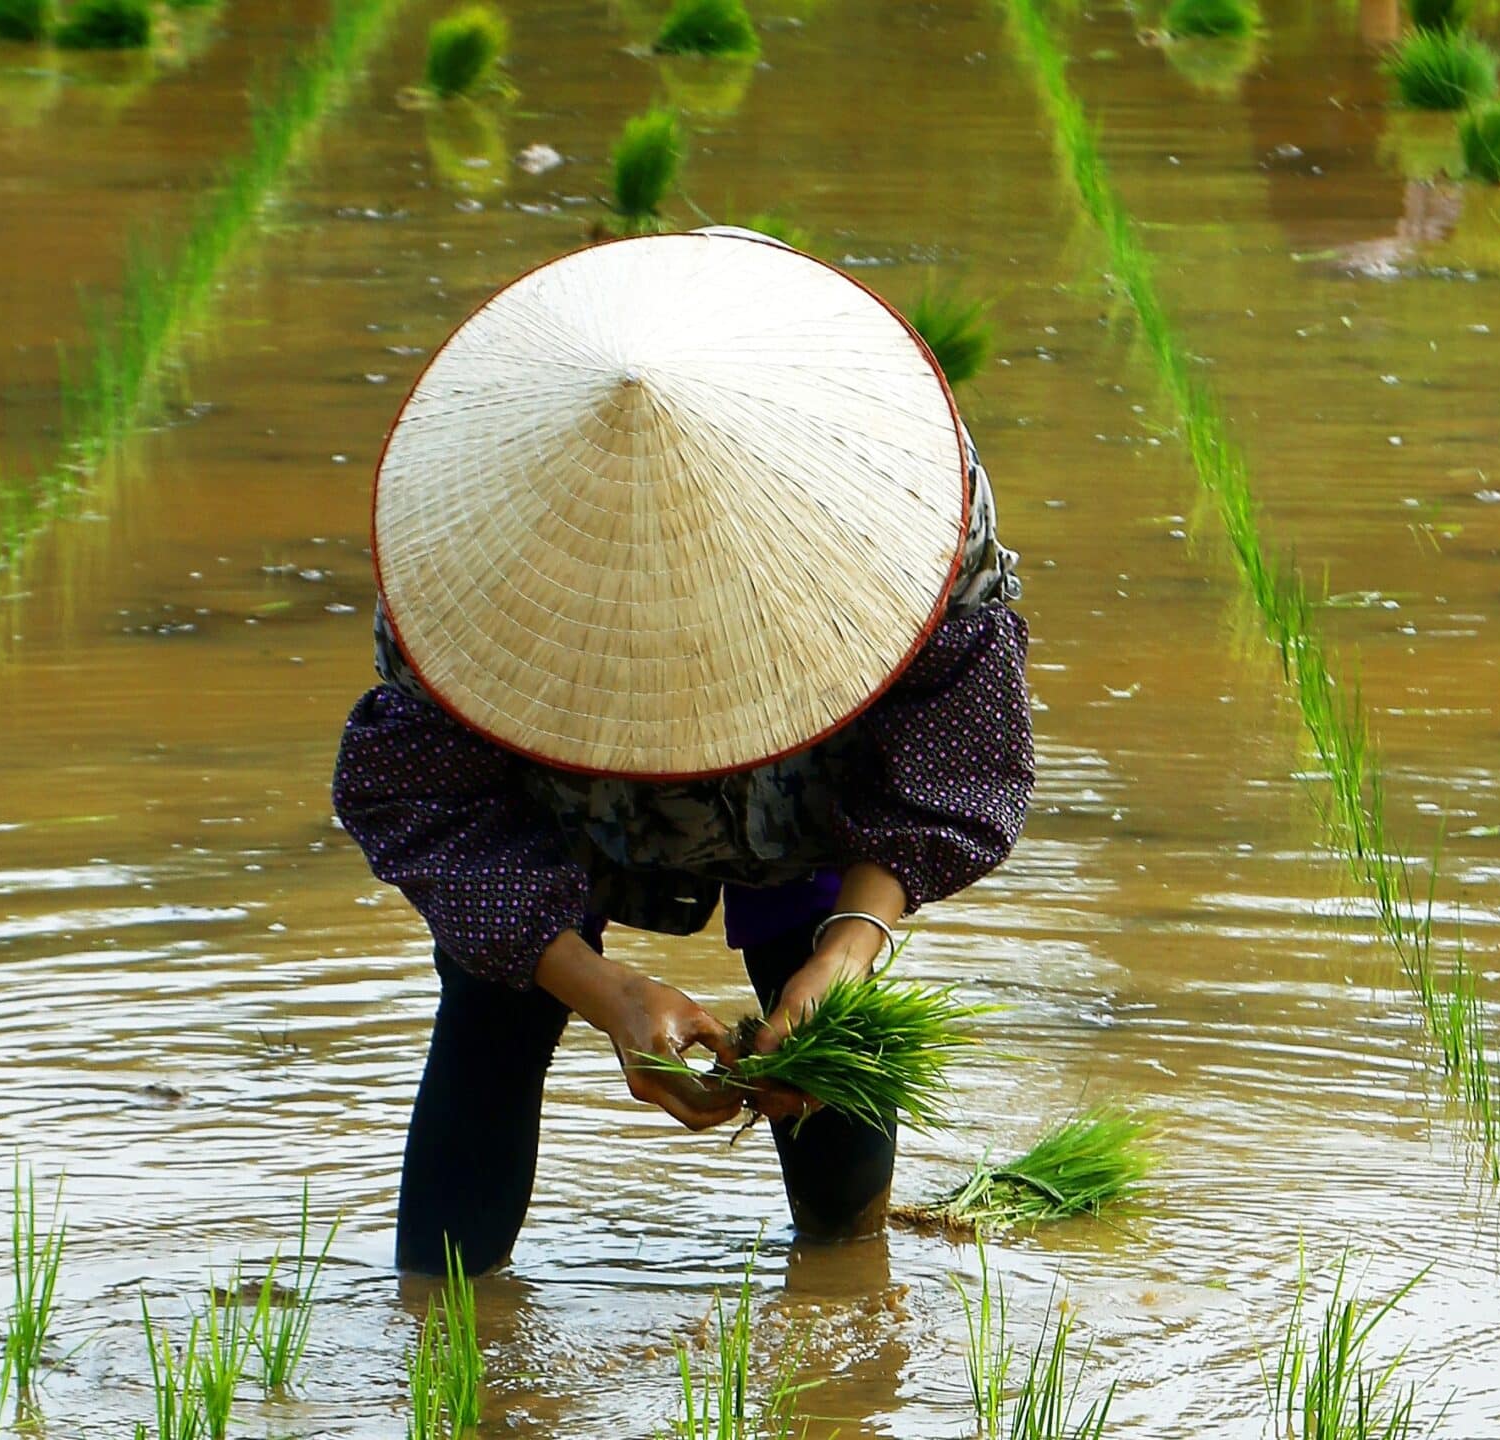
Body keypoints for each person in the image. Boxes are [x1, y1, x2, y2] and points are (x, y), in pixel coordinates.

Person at [330, 229, 1033, 1275]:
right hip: (557, 787)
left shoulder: (912, 501)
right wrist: (604, 991)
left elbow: (946, 753)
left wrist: (845, 953)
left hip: (798, 796)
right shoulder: (462, 568)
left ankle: (844, 1291)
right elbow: (437, 816)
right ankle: (443, 1334)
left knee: (819, 1037)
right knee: (494, 1007)